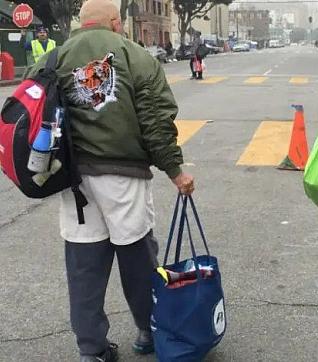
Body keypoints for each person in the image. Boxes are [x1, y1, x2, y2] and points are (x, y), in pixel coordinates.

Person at [26, 0, 194, 361]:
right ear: (116, 23)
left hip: (73, 182)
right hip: (124, 177)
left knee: (84, 264)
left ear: (82, 24)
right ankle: (148, 331)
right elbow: (155, 123)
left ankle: (91, 349)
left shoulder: (52, 60)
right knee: (137, 257)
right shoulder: (137, 57)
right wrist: (175, 171)